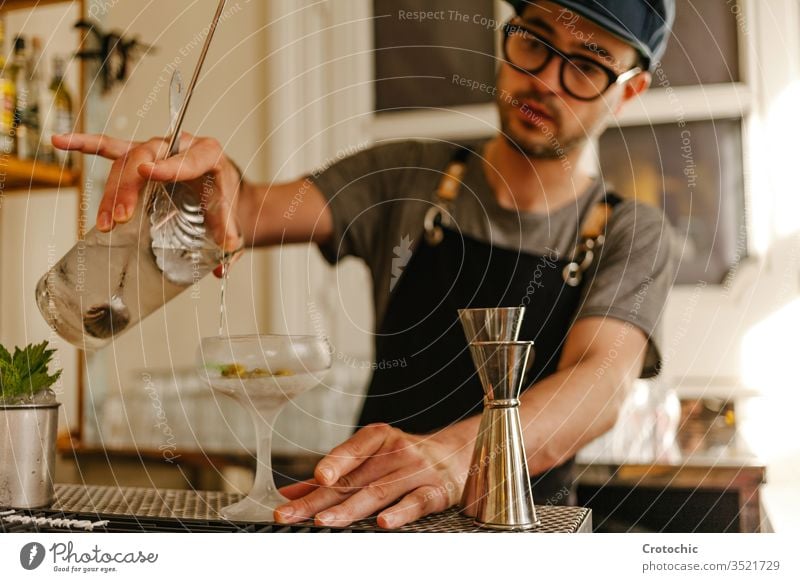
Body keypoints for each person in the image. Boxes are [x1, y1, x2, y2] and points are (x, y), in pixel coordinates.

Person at [53, 0, 676, 529]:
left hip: (522, 525)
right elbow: (249, 211)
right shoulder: (412, 177)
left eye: (589, 66)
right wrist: (209, 187)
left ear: (630, 91)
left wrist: (456, 458)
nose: (545, 79)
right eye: (536, 41)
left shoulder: (631, 232)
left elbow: (601, 385)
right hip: (364, 512)